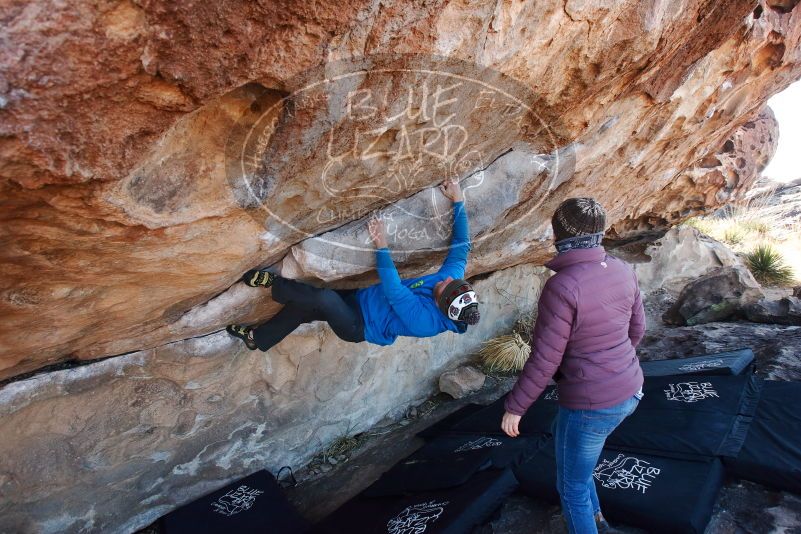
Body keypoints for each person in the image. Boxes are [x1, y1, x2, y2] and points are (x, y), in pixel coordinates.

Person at [500, 197, 645, 534]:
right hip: (631, 389)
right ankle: (599, 523)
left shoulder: (562, 286)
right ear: (601, 232)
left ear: (557, 233)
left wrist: (516, 407)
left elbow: (546, 357)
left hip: (591, 404)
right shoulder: (623, 269)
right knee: (581, 469)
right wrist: (615, 363)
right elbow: (638, 330)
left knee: (571, 487)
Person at [227, 179, 480, 352]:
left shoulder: (424, 323)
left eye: (446, 286)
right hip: (364, 298)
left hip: (359, 324)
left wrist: (381, 244)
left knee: (323, 298)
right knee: (301, 308)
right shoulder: (451, 283)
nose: (445, 279)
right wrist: (458, 199)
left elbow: (394, 290)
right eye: (452, 280)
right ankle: (257, 339)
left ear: (442, 303)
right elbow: (461, 247)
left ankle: (274, 284)